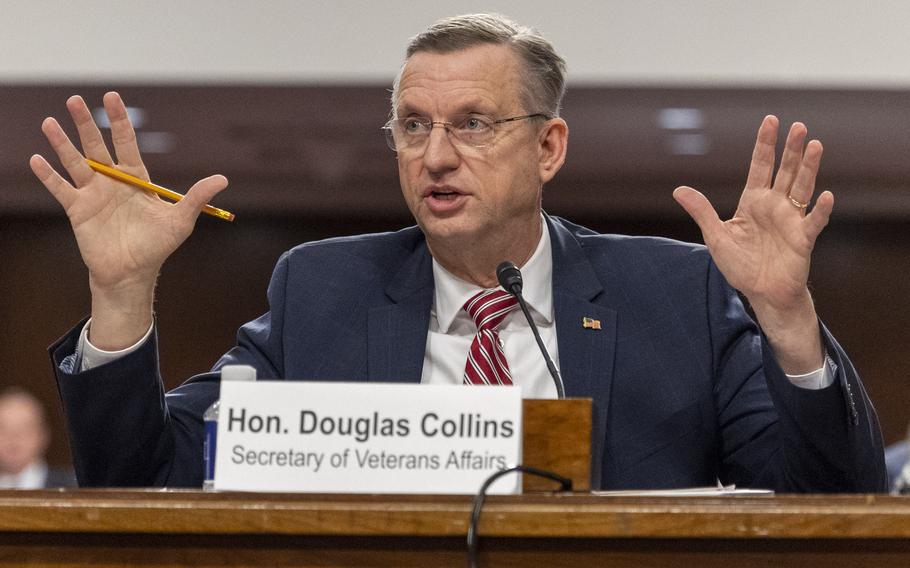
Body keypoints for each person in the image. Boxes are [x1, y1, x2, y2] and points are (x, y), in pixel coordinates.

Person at [31, 14, 885, 491]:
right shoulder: (326, 288)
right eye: (413, 126)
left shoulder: (673, 290)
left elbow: (835, 496)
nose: (435, 155)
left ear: (548, 148)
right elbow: (142, 479)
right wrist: (123, 294)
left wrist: (789, 323)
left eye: (472, 124)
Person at [0, 388, 75, 488]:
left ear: (43, 435)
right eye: (3, 428)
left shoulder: (76, 488)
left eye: (25, 428)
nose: (14, 437)